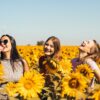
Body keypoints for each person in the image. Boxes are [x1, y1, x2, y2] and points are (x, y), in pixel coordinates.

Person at [0, 34, 29, 99]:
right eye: (0, 42)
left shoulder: (22, 62)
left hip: (18, 97)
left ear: (12, 43)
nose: (2, 43)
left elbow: (28, 79)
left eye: (5, 41)